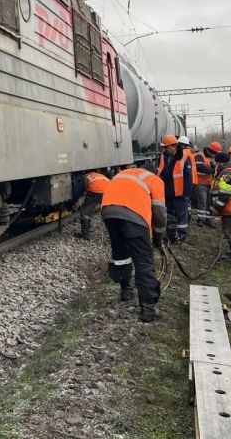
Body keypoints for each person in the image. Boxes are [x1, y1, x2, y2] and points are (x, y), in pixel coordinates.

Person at [101, 167, 166, 322]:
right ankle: (148, 309)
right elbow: (159, 213)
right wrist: (158, 237)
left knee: (121, 255)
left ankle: (126, 290)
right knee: (143, 261)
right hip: (134, 217)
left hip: (109, 213)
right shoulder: (155, 180)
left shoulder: (123, 174)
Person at [158, 135, 193, 243]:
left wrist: (186, 193)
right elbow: (161, 172)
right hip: (167, 191)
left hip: (179, 192)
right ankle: (171, 233)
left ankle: (182, 233)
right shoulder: (164, 156)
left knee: (181, 213)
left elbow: (188, 176)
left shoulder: (183, 156)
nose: (164, 149)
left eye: (165, 147)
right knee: (169, 212)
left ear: (173, 146)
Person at [211, 150, 231, 261]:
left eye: (217, 163)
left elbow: (225, 193)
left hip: (229, 207)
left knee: (230, 229)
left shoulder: (226, 172)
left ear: (221, 163)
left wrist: (217, 208)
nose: (216, 165)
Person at [193, 141, 221, 226]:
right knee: (202, 202)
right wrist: (213, 170)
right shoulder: (199, 156)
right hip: (200, 183)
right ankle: (201, 219)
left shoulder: (211, 159)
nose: (215, 155)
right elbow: (199, 167)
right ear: (212, 151)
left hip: (209, 184)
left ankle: (208, 219)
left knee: (209, 203)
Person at [77, 171, 110, 240]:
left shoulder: (86, 177)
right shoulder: (101, 175)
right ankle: (112, 234)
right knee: (108, 213)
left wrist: (70, 205)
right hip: (108, 192)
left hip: (95, 192)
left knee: (85, 212)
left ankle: (85, 235)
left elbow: (78, 191)